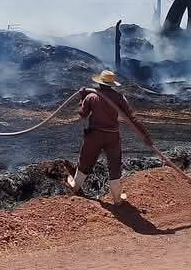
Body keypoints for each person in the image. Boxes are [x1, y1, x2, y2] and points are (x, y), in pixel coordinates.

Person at [66, 70, 154, 205]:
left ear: (100, 83)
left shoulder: (91, 97)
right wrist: (145, 135)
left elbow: (83, 114)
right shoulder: (119, 98)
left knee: (85, 160)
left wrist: (82, 98)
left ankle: (75, 188)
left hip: (94, 135)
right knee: (114, 164)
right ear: (112, 84)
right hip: (112, 136)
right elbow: (132, 117)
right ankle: (117, 199)